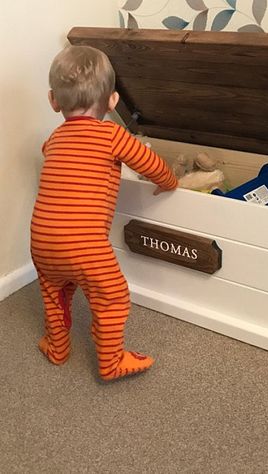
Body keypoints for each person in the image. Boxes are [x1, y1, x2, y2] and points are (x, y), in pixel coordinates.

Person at [30, 45, 178, 381]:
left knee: (54, 294)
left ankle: (57, 348)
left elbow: (50, 155)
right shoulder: (111, 133)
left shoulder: (53, 139)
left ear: (53, 101)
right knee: (112, 296)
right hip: (84, 245)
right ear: (112, 101)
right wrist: (168, 182)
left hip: (41, 240)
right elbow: (150, 163)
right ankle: (111, 362)